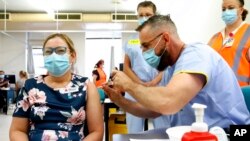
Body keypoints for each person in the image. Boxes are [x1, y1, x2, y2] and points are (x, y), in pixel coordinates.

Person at [103, 15, 250, 131]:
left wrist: (129, 85)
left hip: (227, 133)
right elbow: (154, 109)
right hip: (195, 134)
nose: (143, 52)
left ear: (165, 38)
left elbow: (168, 102)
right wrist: (119, 100)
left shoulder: (196, 55)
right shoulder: (170, 68)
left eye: (146, 46)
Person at [9, 33, 104, 141]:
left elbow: (97, 132)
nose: (54, 56)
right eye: (48, 52)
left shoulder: (86, 86)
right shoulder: (30, 86)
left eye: (60, 51)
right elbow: (17, 130)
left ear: (72, 56)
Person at [123, 1, 164, 133]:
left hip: (157, 88)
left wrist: (153, 82)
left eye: (148, 14)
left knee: (162, 129)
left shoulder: (163, 38)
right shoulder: (131, 40)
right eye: (140, 15)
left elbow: (167, 66)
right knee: (133, 130)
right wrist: (139, 83)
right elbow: (126, 67)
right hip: (135, 88)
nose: (144, 18)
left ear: (155, 16)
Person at [208, 0, 250, 86]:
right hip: (216, 94)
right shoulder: (214, 38)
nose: (226, 11)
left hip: (242, 94)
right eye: (223, 9)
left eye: (231, 8)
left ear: (241, 10)